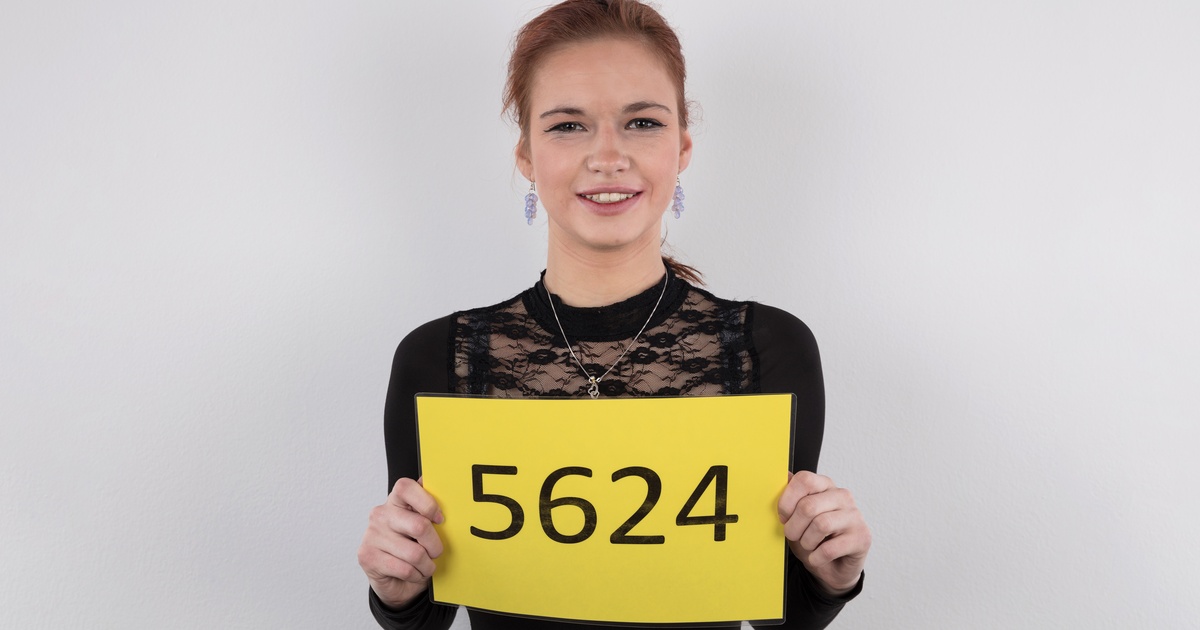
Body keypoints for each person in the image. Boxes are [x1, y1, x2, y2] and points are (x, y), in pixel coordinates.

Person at [356, 1, 872, 628]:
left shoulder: (765, 347)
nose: (607, 156)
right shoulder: (441, 358)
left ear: (681, 147)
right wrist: (396, 589)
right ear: (526, 155)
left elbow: (777, 614)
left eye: (642, 122)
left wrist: (830, 575)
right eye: (568, 125)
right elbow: (425, 615)